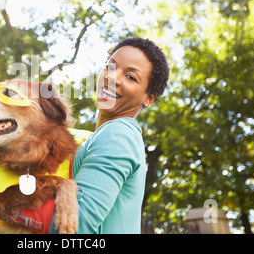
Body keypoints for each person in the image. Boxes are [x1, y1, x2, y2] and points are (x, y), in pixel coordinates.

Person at [19, 37, 170, 234]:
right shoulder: (97, 138)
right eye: (110, 67)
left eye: (131, 77)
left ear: (149, 98)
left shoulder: (119, 134)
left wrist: (6, 209)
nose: (112, 78)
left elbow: (75, 224)